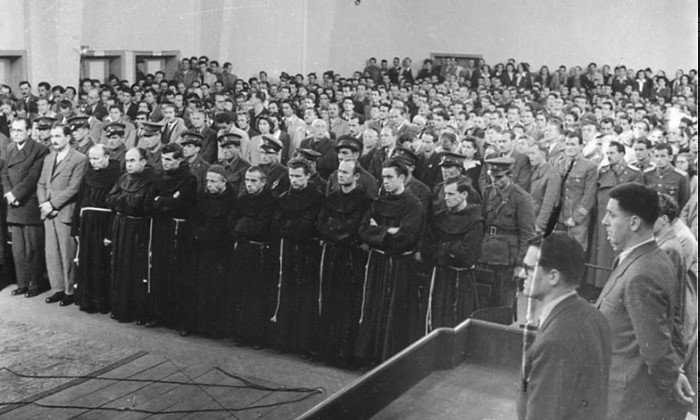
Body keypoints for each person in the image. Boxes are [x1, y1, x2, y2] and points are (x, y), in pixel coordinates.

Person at [596, 183, 694, 420]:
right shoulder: (645, 259)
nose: (604, 222)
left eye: (612, 215)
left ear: (634, 223)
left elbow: (656, 346)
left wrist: (672, 379)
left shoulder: (642, 272)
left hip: (627, 402)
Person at [517, 232, 612, 420]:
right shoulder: (596, 317)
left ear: (553, 276)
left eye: (529, 269)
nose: (521, 274)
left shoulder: (553, 342)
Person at [356, 160, 423, 364]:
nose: (385, 181)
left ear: (401, 178)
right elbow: (363, 230)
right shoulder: (379, 202)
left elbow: (406, 238)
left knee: (394, 311)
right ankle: (369, 355)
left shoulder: (414, 204)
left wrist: (378, 231)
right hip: (378, 262)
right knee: (373, 307)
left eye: (389, 177)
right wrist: (388, 231)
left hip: (400, 265)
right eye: (383, 177)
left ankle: (388, 357)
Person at [317, 159, 372, 368]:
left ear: (356, 176)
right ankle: (328, 352)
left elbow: (355, 229)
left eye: (346, 172)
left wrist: (335, 230)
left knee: (348, 304)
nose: (341, 175)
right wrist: (337, 230)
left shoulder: (365, 201)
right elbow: (321, 225)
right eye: (339, 171)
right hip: (333, 254)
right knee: (330, 300)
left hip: (351, 257)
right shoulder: (331, 198)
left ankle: (345, 354)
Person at [270, 157, 324, 357]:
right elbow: (276, 224)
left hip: (307, 251)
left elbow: (307, 225)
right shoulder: (284, 197)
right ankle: (284, 340)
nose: (294, 180)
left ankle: (303, 343)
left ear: (308, 176)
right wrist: (292, 227)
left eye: (299, 176)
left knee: (305, 295)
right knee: (286, 290)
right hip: (288, 249)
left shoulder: (317, 197)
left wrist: (290, 227)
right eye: (292, 176)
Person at [144, 143, 197, 329]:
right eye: (163, 159)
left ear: (179, 160)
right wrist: (168, 200)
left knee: (177, 272)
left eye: (169, 159)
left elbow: (182, 203)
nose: (165, 163)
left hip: (178, 230)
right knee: (158, 270)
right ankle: (158, 314)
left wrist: (161, 200)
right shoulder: (158, 178)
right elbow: (148, 203)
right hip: (160, 228)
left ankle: (177, 318)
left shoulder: (189, 179)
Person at [420, 176, 484, 331]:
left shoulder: (476, 221)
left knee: (457, 322)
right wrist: (452, 249)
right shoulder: (439, 218)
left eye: (450, 194)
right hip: (439, 278)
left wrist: (442, 249)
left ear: (464, 195)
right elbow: (426, 250)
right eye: (445, 194)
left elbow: (467, 256)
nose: (445, 198)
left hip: (461, 280)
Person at [181, 164, 236, 338]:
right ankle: (191, 324)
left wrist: (207, 234)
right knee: (194, 286)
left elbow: (227, 226)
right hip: (199, 248)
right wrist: (198, 232)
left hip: (219, 251)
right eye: (208, 181)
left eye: (213, 181)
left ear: (224, 182)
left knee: (214, 289)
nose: (209, 185)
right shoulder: (202, 198)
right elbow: (193, 219)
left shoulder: (231, 200)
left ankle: (212, 328)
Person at [37, 124, 88, 306]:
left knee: (67, 253)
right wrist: (44, 204)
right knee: (52, 254)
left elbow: (74, 187)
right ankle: (57, 289)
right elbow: (41, 184)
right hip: (48, 213)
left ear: (68, 137)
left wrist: (52, 204)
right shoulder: (49, 158)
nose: (54, 140)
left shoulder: (79, 159)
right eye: (52, 136)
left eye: (58, 136)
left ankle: (69, 291)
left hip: (64, 212)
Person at [477, 157, 535, 311]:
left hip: (507, 260)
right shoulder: (488, 192)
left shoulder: (522, 198)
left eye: (499, 177)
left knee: (503, 305)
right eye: (492, 176)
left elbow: (528, 235)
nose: (495, 181)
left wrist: (520, 264)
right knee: (482, 302)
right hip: (486, 255)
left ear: (510, 175)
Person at [106, 148, 155, 324]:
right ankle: (120, 308)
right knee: (120, 265)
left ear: (143, 162)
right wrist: (127, 201)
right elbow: (109, 199)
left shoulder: (150, 181)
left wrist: (122, 201)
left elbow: (142, 204)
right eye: (127, 161)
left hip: (138, 228)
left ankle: (137, 311)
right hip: (121, 225)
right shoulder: (122, 179)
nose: (129, 165)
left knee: (136, 268)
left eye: (133, 161)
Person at [2, 118, 50, 298]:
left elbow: (33, 176)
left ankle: (35, 283)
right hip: (13, 202)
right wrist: (8, 193)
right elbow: (4, 173)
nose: (15, 134)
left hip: (28, 203)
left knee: (33, 248)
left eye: (19, 130)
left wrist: (16, 194)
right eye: (13, 130)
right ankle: (22, 283)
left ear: (29, 131)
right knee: (18, 249)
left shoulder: (39, 149)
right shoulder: (10, 148)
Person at [231, 166, 277, 348]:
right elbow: (232, 223)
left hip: (260, 252)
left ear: (263, 182)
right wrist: (246, 225)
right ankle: (241, 333)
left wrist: (243, 224)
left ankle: (257, 336)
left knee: (258, 294)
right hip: (243, 249)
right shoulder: (241, 199)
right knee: (242, 291)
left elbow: (262, 228)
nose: (249, 184)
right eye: (247, 180)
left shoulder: (270, 201)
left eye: (254, 181)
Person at [72, 144, 121, 313]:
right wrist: (75, 227)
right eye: (91, 158)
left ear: (107, 157)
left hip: (104, 223)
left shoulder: (117, 175)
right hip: (87, 223)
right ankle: (87, 301)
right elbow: (80, 200)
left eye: (96, 158)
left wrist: (110, 233)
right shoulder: (88, 174)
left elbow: (115, 207)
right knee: (86, 261)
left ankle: (102, 302)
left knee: (102, 262)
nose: (93, 162)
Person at [587, 141, 642, 289]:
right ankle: (598, 285)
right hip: (602, 216)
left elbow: (637, 199)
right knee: (600, 252)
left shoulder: (633, 173)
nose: (609, 156)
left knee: (616, 249)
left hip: (622, 218)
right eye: (607, 153)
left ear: (622, 154)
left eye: (612, 153)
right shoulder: (604, 171)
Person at [326, 135, 379, 199]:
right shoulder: (334, 176)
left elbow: (371, 202)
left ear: (356, 155)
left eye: (344, 153)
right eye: (339, 153)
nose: (340, 156)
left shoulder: (368, 180)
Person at [526, 142, 560, 233]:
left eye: (533, 153)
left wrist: (539, 225)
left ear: (543, 154)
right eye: (528, 154)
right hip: (527, 220)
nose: (530, 157)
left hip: (537, 222)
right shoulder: (531, 171)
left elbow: (548, 204)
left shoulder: (552, 174)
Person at [644, 142, 690, 209]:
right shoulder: (647, 174)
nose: (659, 160)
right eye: (656, 156)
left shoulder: (681, 176)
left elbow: (685, 202)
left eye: (663, 156)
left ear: (670, 158)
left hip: (672, 213)